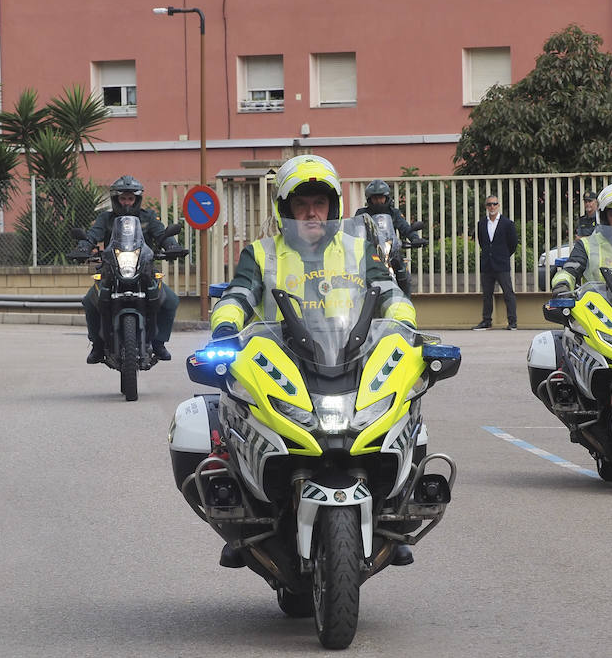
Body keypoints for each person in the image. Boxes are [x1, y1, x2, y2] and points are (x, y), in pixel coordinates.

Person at [209, 154, 417, 567]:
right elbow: (239, 294)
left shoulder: (360, 250)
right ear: (285, 209)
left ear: (333, 207)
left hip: (347, 357)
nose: (311, 212)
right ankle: (243, 519)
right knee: (229, 416)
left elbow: (388, 292)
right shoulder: (262, 253)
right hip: (282, 362)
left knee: (406, 406)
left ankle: (395, 515)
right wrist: (225, 328)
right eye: (301, 204)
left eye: (319, 203)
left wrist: (405, 328)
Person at [76, 175, 183, 363]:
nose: (126, 203)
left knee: (171, 300)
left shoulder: (148, 217)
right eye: (123, 199)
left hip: (144, 269)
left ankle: (159, 343)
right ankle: (97, 345)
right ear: (116, 199)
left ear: (137, 200)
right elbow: (94, 234)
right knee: (89, 302)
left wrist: (171, 245)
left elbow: (161, 234)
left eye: (130, 199)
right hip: (110, 270)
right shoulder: (106, 218)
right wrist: (84, 246)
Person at [354, 179, 426, 296]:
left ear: (386, 198)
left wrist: (414, 239)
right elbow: (356, 231)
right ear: (369, 199)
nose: (378, 201)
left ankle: (405, 303)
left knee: (404, 275)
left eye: (381, 197)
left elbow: (405, 228)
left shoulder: (394, 213)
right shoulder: (362, 214)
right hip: (370, 253)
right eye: (375, 198)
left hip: (391, 253)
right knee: (358, 277)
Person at [472, 194, 519, 329]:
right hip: (487, 264)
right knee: (487, 294)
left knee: (508, 293)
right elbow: (482, 241)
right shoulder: (481, 223)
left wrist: (503, 255)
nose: (492, 207)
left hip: (502, 263)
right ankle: (486, 320)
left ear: (498, 206)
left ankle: (512, 322)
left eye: (494, 204)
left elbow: (513, 243)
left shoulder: (507, 223)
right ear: (486, 207)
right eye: (489, 204)